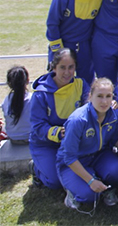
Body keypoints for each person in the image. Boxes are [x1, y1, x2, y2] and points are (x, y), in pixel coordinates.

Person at [57, 78, 118, 210]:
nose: (104, 101)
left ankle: (104, 186)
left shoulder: (115, 115)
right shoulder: (78, 120)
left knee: (116, 171)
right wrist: (90, 181)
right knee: (89, 195)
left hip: (99, 155)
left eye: (108, 96)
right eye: (99, 96)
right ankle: (72, 190)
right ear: (90, 96)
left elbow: (115, 139)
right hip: (74, 162)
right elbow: (69, 157)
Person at [29, 48, 90, 189]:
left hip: (73, 142)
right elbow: (37, 127)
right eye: (62, 67)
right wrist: (57, 132)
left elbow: (90, 109)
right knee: (55, 182)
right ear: (54, 67)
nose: (67, 72)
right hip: (46, 144)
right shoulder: (40, 94)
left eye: (71, 67)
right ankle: (36, 168)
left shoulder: (81, 85)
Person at [46, 0, 103, 85]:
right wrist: (58, 52)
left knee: (86, 83)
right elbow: (52, 24)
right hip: (63, 46)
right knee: (59, 82)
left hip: (84, 47)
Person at [2, 66, 31, 144]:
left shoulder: (6, 100)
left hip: (13, 138)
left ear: (9, 84)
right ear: (27, 81)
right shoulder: (32, 99)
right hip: (30, 138)